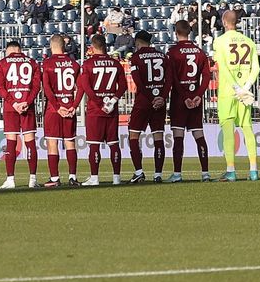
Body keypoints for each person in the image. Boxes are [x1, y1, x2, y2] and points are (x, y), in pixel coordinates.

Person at [211, 10, 259, 181]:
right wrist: (245, 87)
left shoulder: (220, 41)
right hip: (244, 92)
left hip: (227, 91)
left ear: (224, 22)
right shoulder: (249, 41)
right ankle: (254, 170)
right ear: (236, 22)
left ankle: (231, 170)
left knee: (228, 130)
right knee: (247, 128)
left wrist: (235, 87)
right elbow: (256, 69)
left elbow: (222, 66)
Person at [163, 21, 211, 182]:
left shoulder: (173, 52)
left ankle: (177, 174)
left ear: (176, 32)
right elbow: (206, 76)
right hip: (196, 100)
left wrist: (184, 97)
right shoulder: (200, 52)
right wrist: (198, 95)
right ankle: (205, 173)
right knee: (199, 135)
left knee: (178, 136)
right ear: (190, 32)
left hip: (179, 100)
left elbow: (172, 79)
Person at [80, 34, 127, 186]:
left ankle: (94, 177)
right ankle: (116, 177)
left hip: (96, 110)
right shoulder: (115, 63)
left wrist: (100, 102)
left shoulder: (88, 64)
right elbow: (123, 86)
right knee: (113, 144)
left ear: (93, 47)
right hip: (111, 109)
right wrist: (112, 101)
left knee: (94, 144)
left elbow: (86, 87)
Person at [125, 31, 171, 184]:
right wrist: (161, 98)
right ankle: (158, 174)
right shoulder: (163, 56)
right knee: (158, 136)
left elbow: (138, 82)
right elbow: (169, 79)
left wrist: (151, 98)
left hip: (143, 102)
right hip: (159, 103)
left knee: (133, 136)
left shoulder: (136, 58)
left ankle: (139, 171)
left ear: (138, 42)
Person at [0, 40, 41, 189]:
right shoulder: (32, 62)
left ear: (10, 50)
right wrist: (27, 101)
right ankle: (32, 179)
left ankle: (10, 179)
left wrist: (14, 103)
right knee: (30, 143)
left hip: (11, 107)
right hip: (27, 106)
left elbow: (0, 88)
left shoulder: (3, 63)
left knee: (11, 143)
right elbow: (36, 87)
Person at [40, 35, 81, 187]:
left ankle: (55, 178)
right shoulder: (74, 64)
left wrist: (57, 107)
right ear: (64, 46)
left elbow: (47, 88)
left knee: (52, 143)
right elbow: (81, 87)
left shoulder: (48, 63)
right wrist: (74, 106)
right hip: (69, 107)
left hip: (53, 109)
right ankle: (72, 177)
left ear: (52, 46)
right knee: (70, 142)